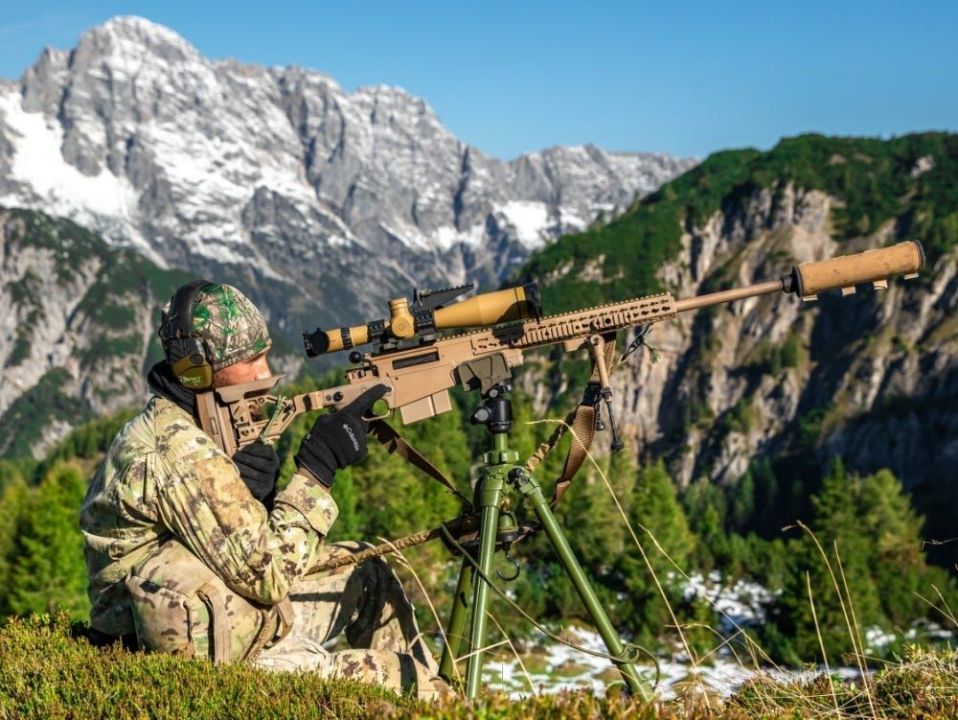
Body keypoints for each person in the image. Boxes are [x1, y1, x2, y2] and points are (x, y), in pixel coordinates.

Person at [79, 280, 450, 699]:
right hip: (192, 657)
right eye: (252, 360)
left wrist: (256, 495)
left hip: (225, 615)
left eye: (265, 355)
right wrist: (317, 468)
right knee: (405, 680)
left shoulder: (189, 422)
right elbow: (269, 575)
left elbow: (226, 541)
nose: (265, 373)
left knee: (364, 571)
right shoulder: (176, 451)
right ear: (194, 369)